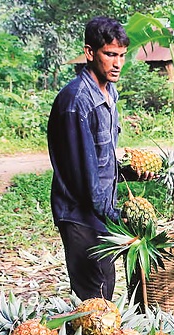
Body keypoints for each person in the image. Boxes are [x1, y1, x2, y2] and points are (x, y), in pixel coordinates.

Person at [47, 16, 129, 300]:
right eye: (110, 55)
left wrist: (132, 170)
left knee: (106, 284)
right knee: (94, 296)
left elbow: (102, 158)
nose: (117, 63)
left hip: (101, 211)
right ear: (90, 52)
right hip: (81, 214)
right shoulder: (76, 101)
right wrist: (121, 218)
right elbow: (84, 174)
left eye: (121, 56)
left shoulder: (109, 93)